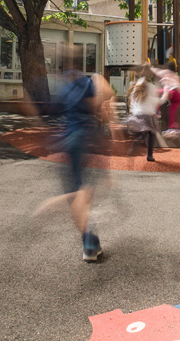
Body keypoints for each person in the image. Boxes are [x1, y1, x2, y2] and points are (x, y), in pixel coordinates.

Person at [34, 57, 114, 262]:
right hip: (86, 140)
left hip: (69, 142)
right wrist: (101, 109)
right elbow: (106, 95)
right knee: (81, 192)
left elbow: (55, 112)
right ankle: (89, 242)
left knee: (78, 191)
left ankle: (91, 242)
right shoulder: (89, 81)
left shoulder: (66, 89)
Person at [124, 65, 168, 161]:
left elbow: (132, 101)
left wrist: (133, 111)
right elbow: (155, 101)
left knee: (142, 132)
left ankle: (135, 144)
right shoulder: (150, 87)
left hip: (137, 114)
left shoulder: (134, 86)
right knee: (152, 133)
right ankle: (149, 155)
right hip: (148, 114)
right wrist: (165, 96)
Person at [152, 63, 180, 138]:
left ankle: (157, 111)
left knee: (155, 92)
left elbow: (157, 71)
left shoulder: (166, 73)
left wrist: (150, 67)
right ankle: (172, 128)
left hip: (172, 92)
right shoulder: (176, 76)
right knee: (171, 112)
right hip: (178, 96)